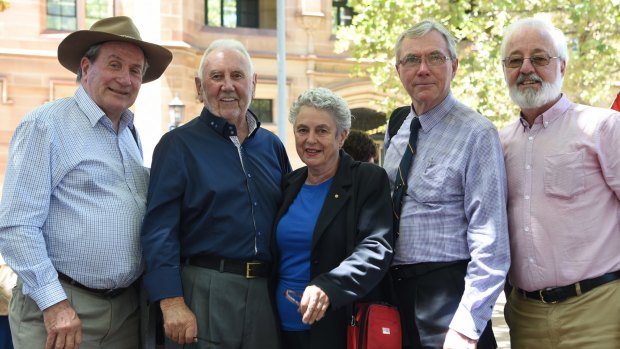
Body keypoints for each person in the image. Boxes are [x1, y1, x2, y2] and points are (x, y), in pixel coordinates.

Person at [0, 16, 172, 349]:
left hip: (124, 312)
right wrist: (54, 303)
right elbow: (17, 226)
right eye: (115, 65)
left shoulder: (129, 133)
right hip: (62, 310)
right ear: (85, 66)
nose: (125, 79)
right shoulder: (46, 124)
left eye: (135, 70)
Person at [141, 39, 291, 348]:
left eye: (237, 76)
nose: (227, 86)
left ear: (253, 82)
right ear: (199, 86)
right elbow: (159, 231)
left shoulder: (272, 147)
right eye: (216, 76)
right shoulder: (177, 146)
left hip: (265, 293)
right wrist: (171, 302)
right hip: (204, 290)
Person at [383, 20, 510, 349]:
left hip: (449, 298)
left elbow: (491, 243)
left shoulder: (477, 133)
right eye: (412, 59)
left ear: (454, 65)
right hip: (395, 296)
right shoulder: (396, 126)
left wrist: (468, 324)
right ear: (399, 70)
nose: (422, 69)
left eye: (435, 58)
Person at [499, 17, 620, 348]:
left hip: (598, 311)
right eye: (514, 60)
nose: (526, 68)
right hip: (525, 318)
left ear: (562, 66)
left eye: (539, 58)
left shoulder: (605, 128)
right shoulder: (498, 143)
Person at [273, 87, 394, 348]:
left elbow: (375, 248)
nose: (310, 139)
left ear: (342, 137)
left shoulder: (367, 179)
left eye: (322, 131)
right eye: (302, 130)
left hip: (338, 327)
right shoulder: (289, 184)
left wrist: (330, 287)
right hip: (281, 330)